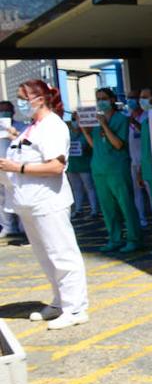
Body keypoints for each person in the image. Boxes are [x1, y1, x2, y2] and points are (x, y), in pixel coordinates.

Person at [0, 80, 88, 329]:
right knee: (45, 255)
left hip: (48, 201)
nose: (18, 102)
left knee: (62, 253)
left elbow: (56, 166)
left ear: (39, 99)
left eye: (21, 97)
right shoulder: (32, 128)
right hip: (28, 202)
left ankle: (76, 308)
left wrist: (17, 167)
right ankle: (60, 302)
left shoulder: (52, 126)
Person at [89, 88, 142, 253]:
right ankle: (115, 238)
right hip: (100, 168)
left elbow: (118, 144)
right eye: (98, 99)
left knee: (125, 204)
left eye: (104, 98)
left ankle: (134, 238)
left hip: (117, 168)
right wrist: (85, 130)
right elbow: (96, 145)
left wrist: (104, 124)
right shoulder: (98, 121)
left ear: (112, 100)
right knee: (108, 207)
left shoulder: (121, 119)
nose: (101, 102)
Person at [125, 91, 152, 228]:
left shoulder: (147, 116)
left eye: (134, 98)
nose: (130, 101)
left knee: (150, 192)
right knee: (137, 193)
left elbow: (145, 132)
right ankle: (141, 219)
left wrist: (134, 122)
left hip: (147, 161)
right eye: (128, 98)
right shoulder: (127, 116)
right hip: (134, 161)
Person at [0, 101, 26, 238]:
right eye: (1, 110)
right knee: (2, 199)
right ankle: (8, 227)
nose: (4, 113)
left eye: (7, 110)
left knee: (19, 196)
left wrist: (15, 135)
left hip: (16, 167)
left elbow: (27, 144)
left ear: (13, 112)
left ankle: (23, 226)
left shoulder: (22, 127)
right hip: (0, 168)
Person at [66, 114, 97, 219]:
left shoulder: (87, 133)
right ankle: (78, 209)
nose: (75, 121)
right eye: (73, 119)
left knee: (90, 187)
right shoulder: (68, 133)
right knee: (76, 189)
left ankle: (94, 210)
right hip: (72, 166)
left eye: (78, 119)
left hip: (85, 165)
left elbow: (92, 147)